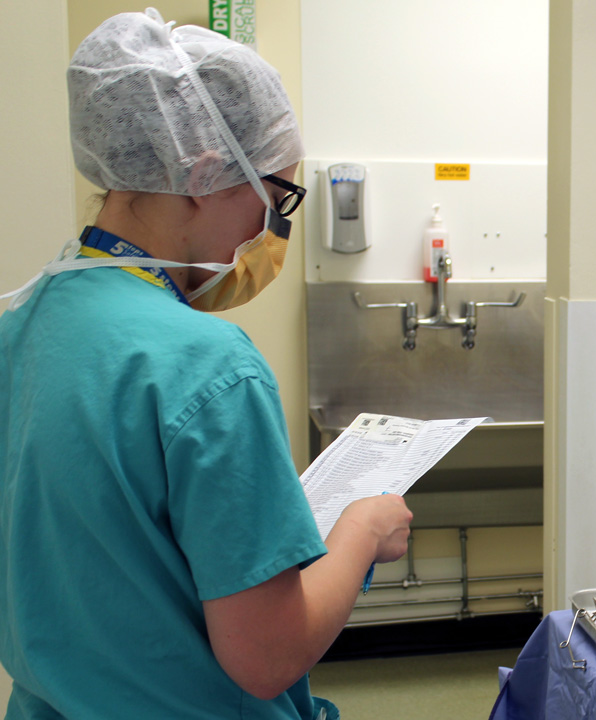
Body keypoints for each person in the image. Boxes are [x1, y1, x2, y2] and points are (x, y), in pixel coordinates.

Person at [0, 10, 412, 719]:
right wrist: (364, 530)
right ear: (203, 174)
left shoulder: (23, 326)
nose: (272, 235)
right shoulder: (207, 364)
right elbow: (267, 656)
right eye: (276, 199)